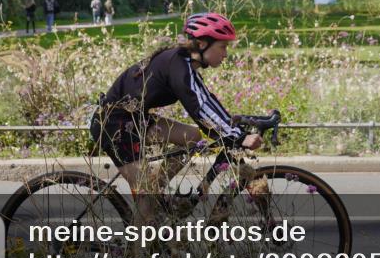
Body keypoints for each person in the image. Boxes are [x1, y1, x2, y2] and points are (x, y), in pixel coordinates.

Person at [90, 12, 262, 223]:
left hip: (135, 120)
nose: (226, 53)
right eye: (223, 46)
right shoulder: (178, 66)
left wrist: (232, 125)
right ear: (201, 44)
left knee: (193, 136)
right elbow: (198, 106)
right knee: (148, 198)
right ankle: (136, 253)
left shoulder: (184, 65)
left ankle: (159, 189)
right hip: (113, 125)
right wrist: (238, 136)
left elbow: (207, 99)